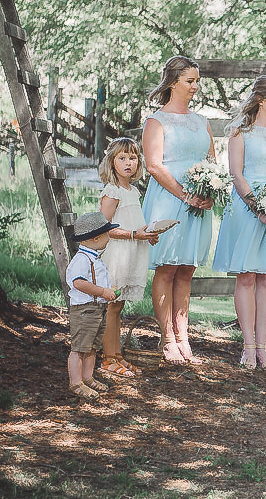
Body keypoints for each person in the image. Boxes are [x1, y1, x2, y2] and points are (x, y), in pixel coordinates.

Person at [213, 76, 266, 371]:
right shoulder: (239, 131)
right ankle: (247, 346)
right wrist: (259, 208)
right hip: (246, 206)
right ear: (261, 100)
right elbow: (235, 174)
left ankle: (263, 346)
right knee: (246, 276)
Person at [142, 55, 216, 365]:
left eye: (197, 81)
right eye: (190, 81)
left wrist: (211, 189)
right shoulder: (156, 121)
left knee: (186, 269)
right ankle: (167, 339)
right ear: (173, 83)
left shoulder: (202, 121)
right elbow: (154, 165)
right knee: (167, 267)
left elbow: (212, 160)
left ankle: (184, 337)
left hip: (199, 203)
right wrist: (185, 195)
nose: (196, 86)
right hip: (170, 199)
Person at [97, 137, 159, 378]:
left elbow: (136, 222)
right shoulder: (112, 192)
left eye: (132, 158)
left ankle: (118, 355)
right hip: (116, 255)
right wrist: (135, 234)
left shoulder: (132, 191)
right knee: (111, 307)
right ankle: (107, 358)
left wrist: (148, 235)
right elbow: (104, 229)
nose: (128, 163)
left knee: (119, 306)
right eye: (121, 158)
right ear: (112, 163)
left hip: (132, 252)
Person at [65, 212, 119, 401]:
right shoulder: (81, 259)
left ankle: (88, 377)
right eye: (107, 234)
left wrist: (107, 290)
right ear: (96, 238)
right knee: (79, 347)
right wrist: (102, 292)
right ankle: (76, 382)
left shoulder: (95, 257)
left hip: (97, 309)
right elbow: (78, 283)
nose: (109, 238)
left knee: (92, 346)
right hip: (85, 310)